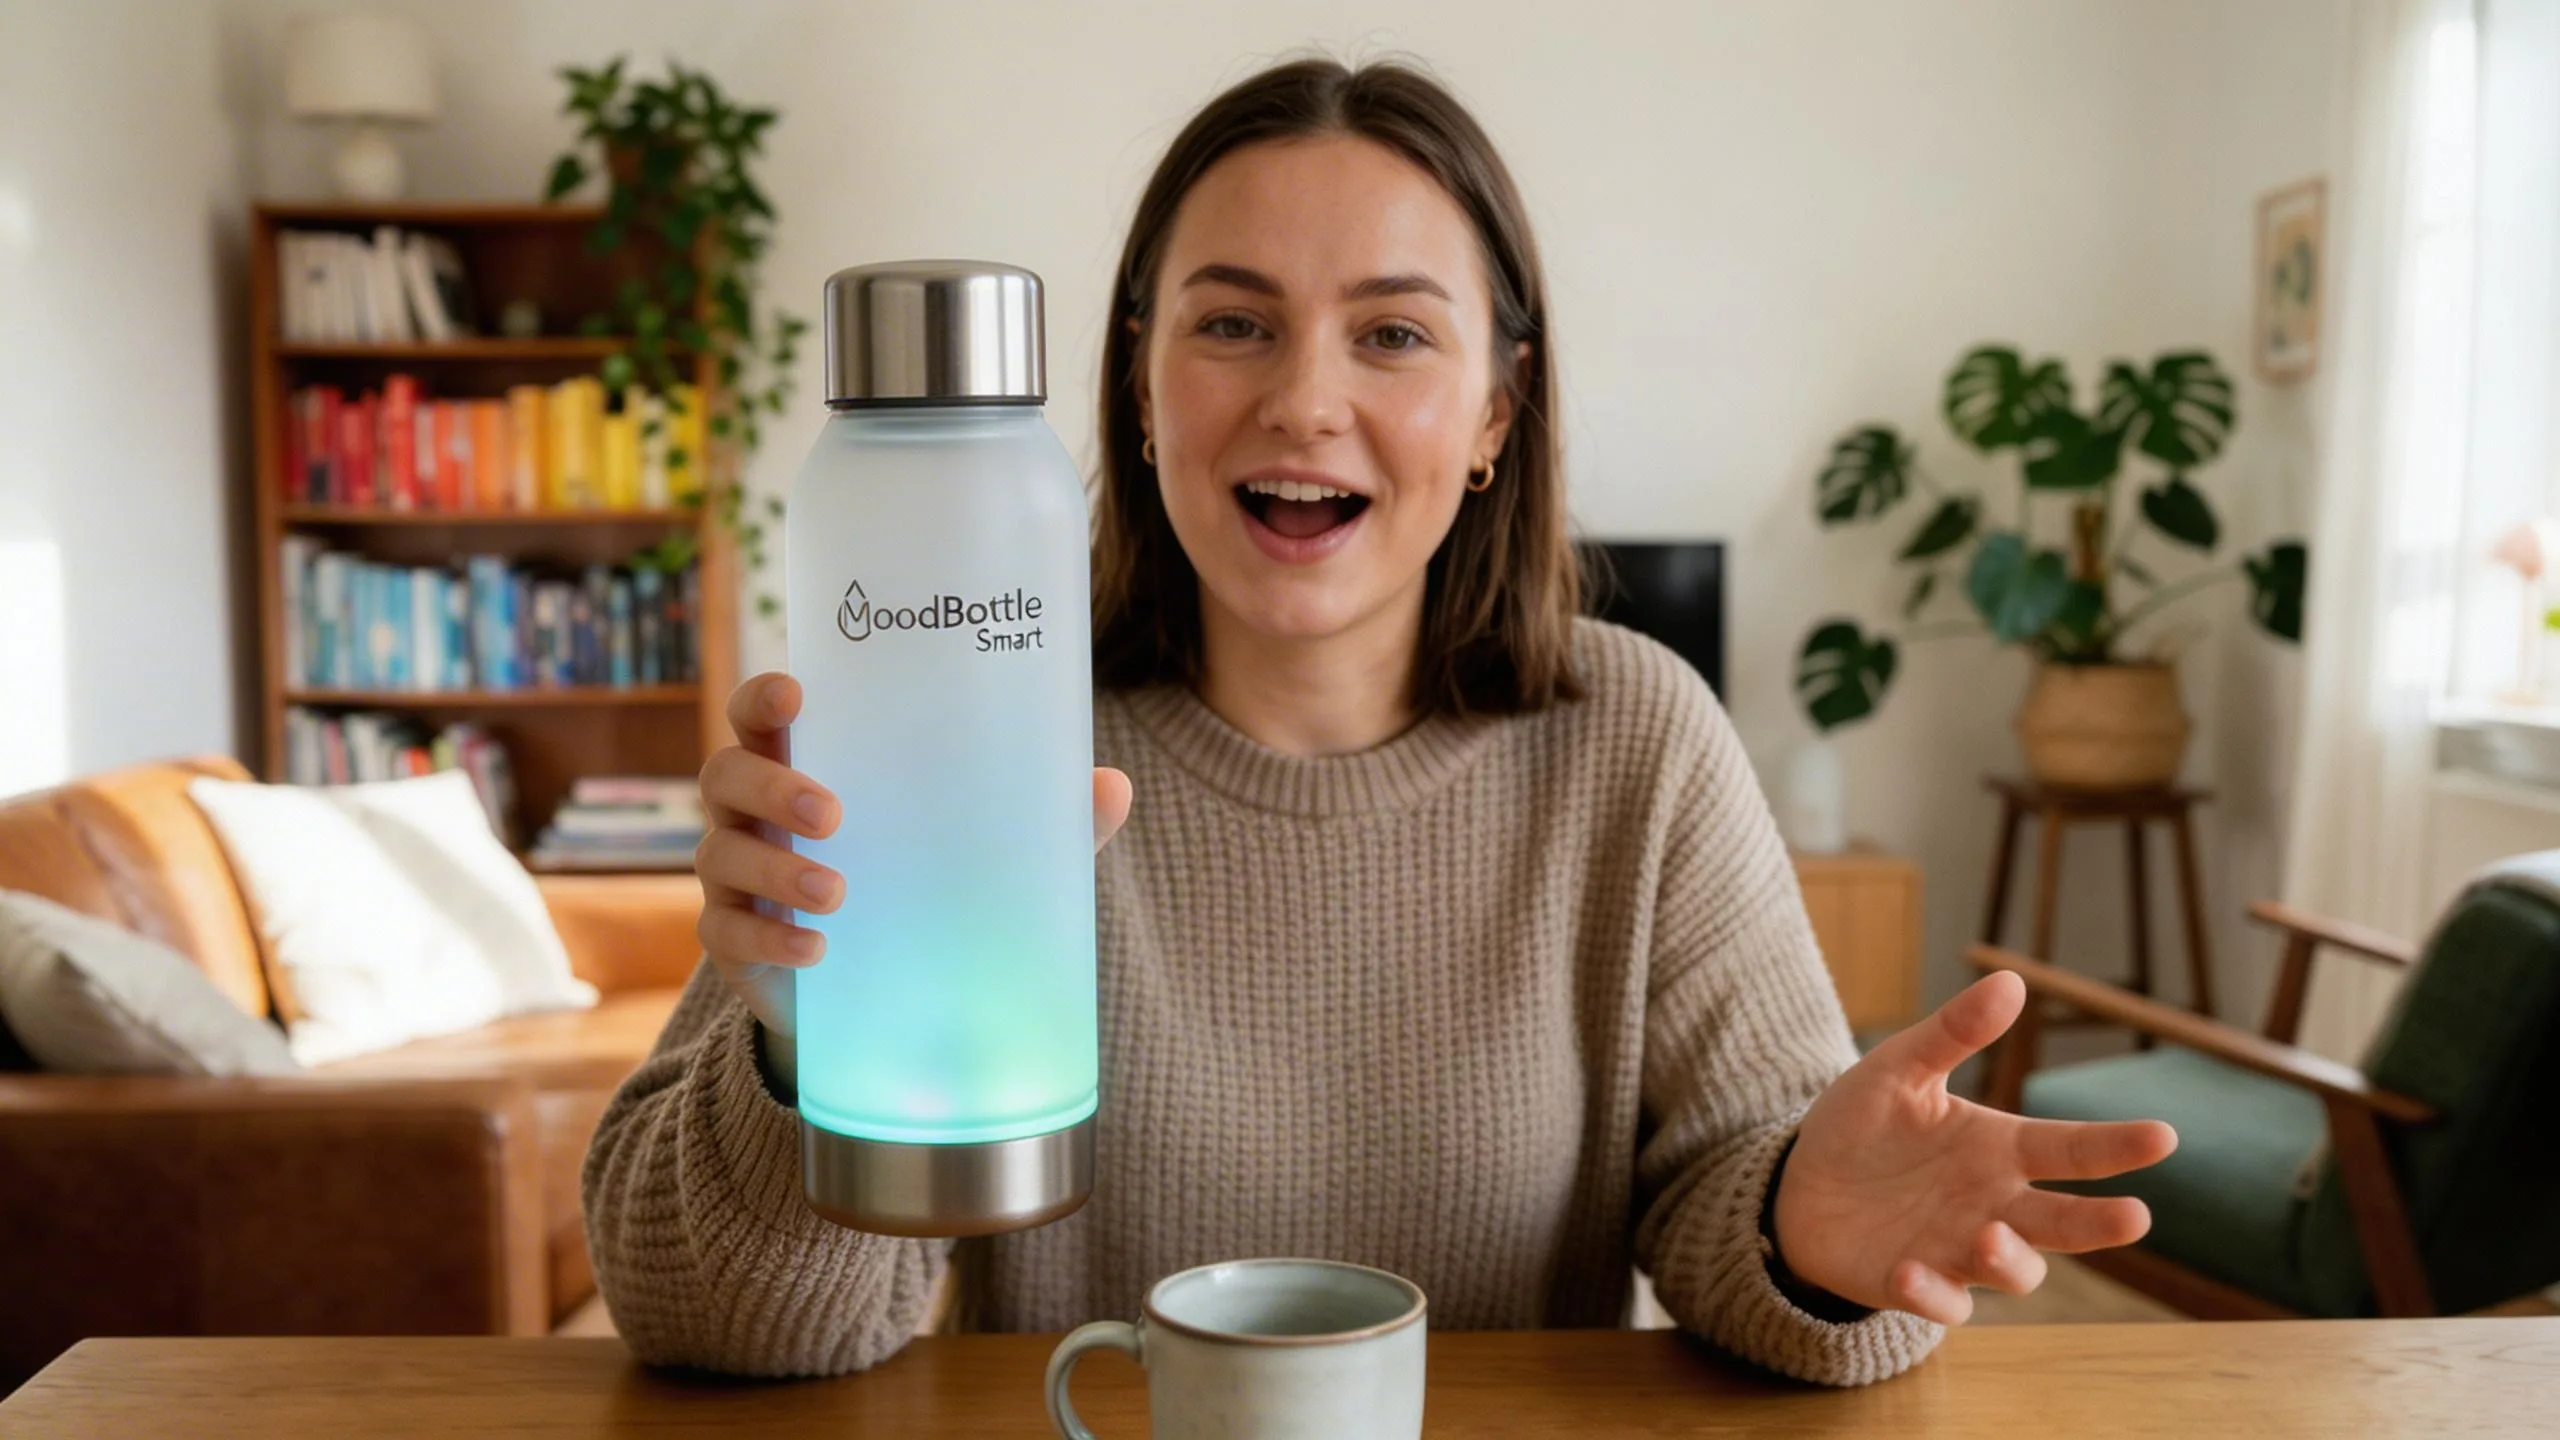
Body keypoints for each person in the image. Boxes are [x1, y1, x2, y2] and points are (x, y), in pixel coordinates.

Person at [583, 55, 2176, 1387]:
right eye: (1232, 323)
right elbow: (708, 1324)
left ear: (1496, 410)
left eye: (1395, 333)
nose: (1303, 401)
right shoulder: (958, 718)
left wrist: (1806, 1239)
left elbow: (1750, 1211)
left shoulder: (1636, 740)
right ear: (1138, 382)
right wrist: (797, 1045)